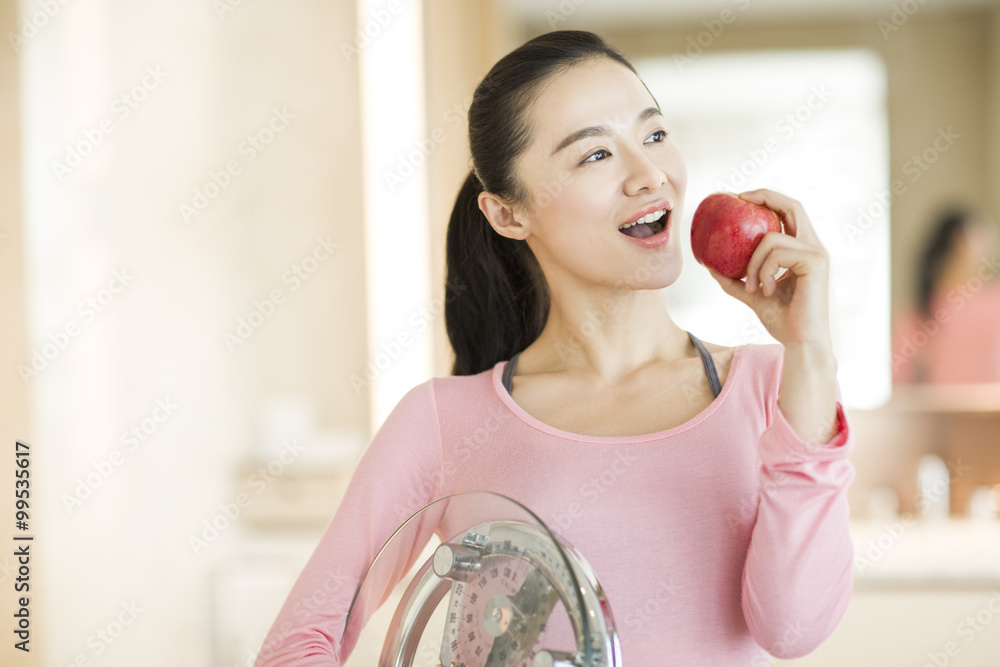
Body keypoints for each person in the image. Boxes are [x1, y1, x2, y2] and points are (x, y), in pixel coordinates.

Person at [254, 30, 855, 666]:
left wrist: (809, 348)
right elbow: (296, 646)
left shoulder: (773, 385)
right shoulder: (441, 421)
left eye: (653, 135)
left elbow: (793, 629)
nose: (650, 174)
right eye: (595, 155)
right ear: (508, 215)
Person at [892, 206, 1000, 384]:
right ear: (961, 242)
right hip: (938, 410)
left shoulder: (993, 301)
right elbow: (901, 380)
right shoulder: (919, 314)